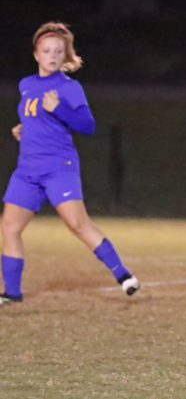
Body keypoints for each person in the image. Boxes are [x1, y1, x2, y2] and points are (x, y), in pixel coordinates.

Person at [1, 22, 140, 304]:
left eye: (58, 51)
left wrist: (59, 108)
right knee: (10, 228)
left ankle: (123, 274)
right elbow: (35, 116)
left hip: (57, 167)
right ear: (36, 54)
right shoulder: (26, 85)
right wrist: (23, 128)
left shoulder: (69, 87)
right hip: (27, 170)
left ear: (65, 56)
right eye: (46, 51)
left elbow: (87, 126)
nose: (52, 56)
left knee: (77, 224)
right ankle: (11, 293)